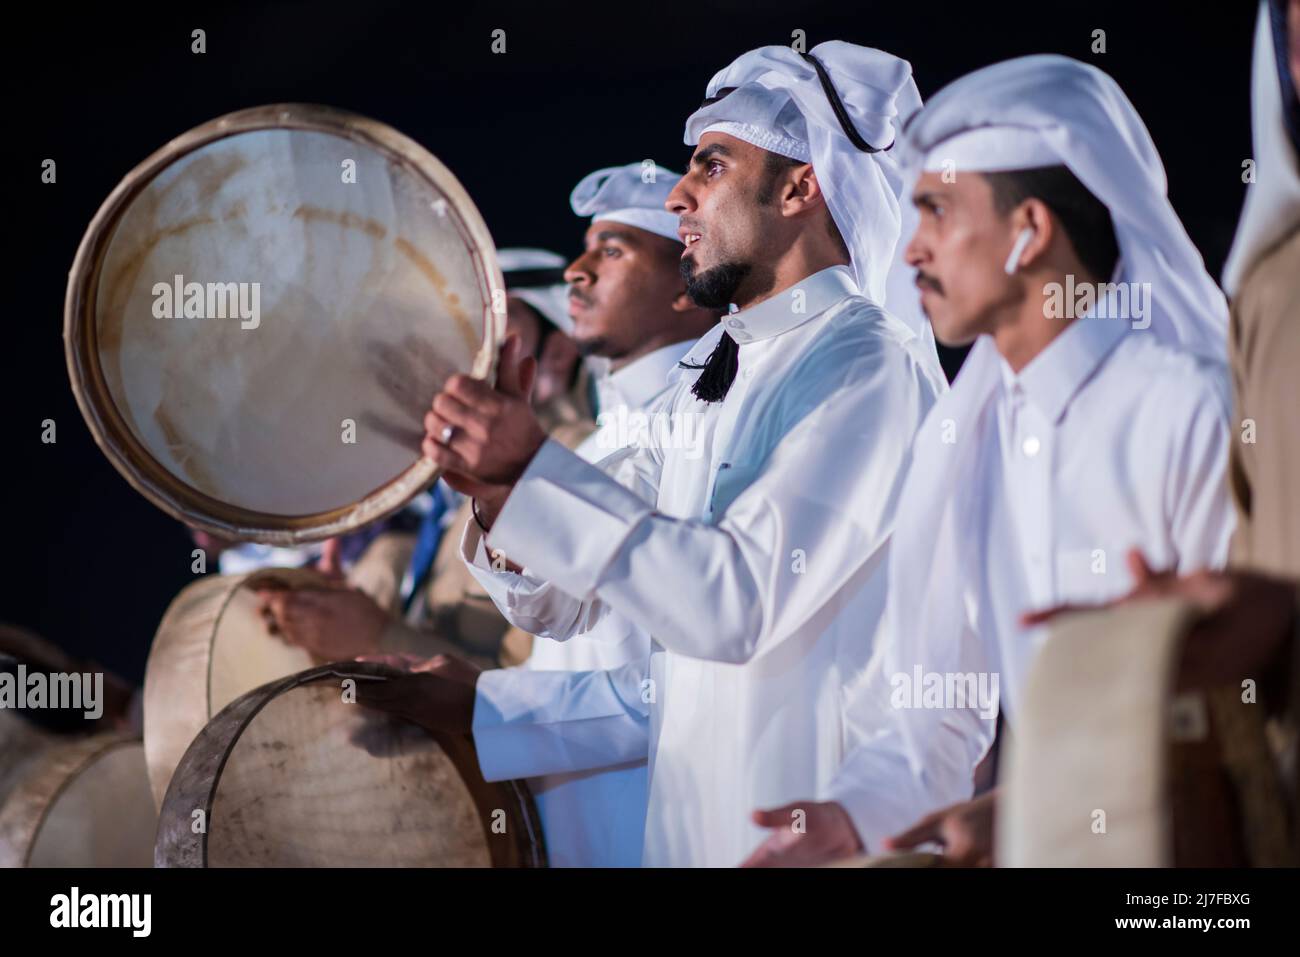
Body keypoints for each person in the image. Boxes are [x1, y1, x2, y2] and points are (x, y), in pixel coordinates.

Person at [359, 41, 946, 867]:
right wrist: (496, 488)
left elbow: (732, 600)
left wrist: (531, 472)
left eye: (710, 166)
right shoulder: (706, 378)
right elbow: (559, 603)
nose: (678, 196)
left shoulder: (868, 366)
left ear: (799, 186)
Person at [744, 54, 1234, 867]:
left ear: (1030, 231)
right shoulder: (967, 438)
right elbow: (935, 723)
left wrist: (1047, 804)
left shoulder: (1187, 410)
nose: (911, 251)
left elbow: (1242, 704)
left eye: (935, 211)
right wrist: (851, 816)